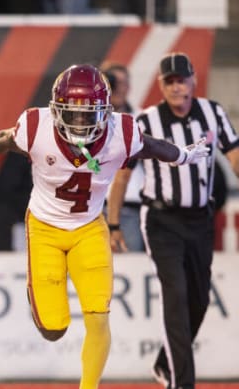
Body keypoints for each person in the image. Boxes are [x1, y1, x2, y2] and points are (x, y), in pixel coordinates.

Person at [0, 64, 209, 389]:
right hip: (45, 228)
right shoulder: (36, 126)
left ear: (106, 111)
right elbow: (6, 139)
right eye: (72, 113)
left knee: (98, 315)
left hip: (90, 227)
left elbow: (152, 146)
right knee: (54, 328)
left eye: (88, 113)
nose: (80, 121)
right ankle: (40, 294)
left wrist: (182, 156)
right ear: (56, 110)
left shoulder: (122, 132)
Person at [106, 52, 239, 389]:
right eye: (170, 82)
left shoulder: (213, 113)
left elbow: (234, 155)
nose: (178, 87)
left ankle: (165, 363)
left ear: (193, 80)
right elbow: (122, 177)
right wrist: (114, 223)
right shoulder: (146, 122)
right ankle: (182, 383)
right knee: (176, 296)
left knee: (199, 300)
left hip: (200, 219)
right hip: (162, 220)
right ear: (161, 86)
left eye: (182, 80)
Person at [101, 62, 145, 252]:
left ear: (129, 87)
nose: (118, 88)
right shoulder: (88, 119)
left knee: (131, 266)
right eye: (113, 82)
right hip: (95, 207)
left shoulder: (142, 118)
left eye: (123, 83)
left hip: (131, 208)